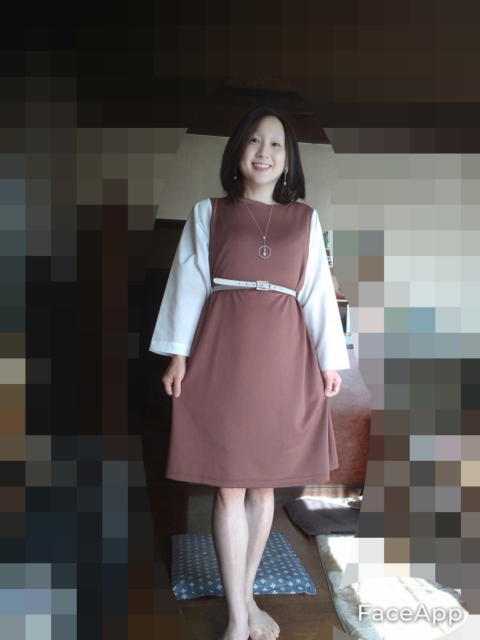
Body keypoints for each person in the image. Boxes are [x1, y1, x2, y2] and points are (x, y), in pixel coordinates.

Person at [149, 106, 350, 640]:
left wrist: (330, 360)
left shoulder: (305, 219)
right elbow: (188, 284)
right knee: (229, 486)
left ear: (288, 160)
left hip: (285, 356)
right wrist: (177, 354)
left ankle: (247, 600)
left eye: (277, 144)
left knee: (264, 488)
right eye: (255, 141)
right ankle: (239, 617)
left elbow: (318, 293)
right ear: (238, 150)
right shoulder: (208, 212)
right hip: (222, 352)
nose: (265, 152)